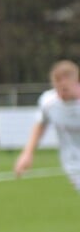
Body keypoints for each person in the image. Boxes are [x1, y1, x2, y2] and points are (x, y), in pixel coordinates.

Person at [13, 59, 80, 191]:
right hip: (72, 163)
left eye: (65, 88)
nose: (61, 92)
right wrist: (27, 154)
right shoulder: (48, 102)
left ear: (76, 82)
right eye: (57, 87)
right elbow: (40, 125)